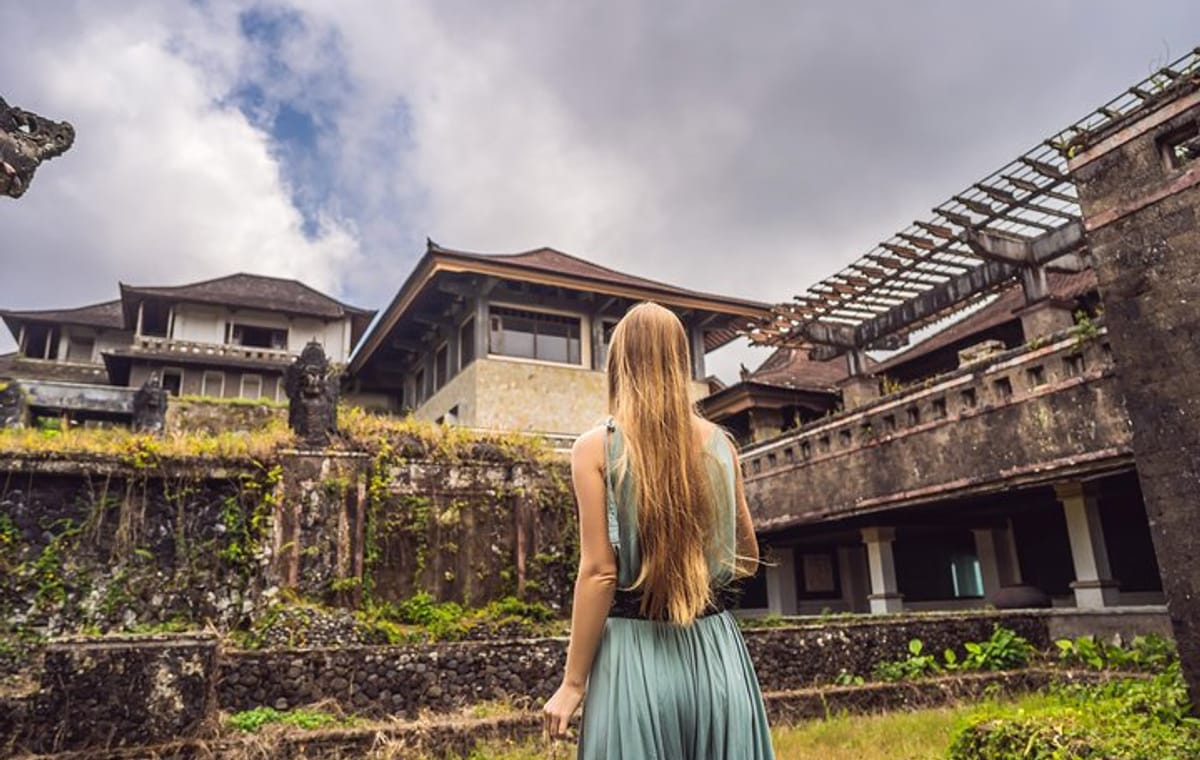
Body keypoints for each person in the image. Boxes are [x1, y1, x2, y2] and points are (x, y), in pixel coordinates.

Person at [542, 301, 776, 759]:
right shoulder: (721, 446)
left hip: (634, 659)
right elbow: (745, 559)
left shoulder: (594, 448)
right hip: (715, 654)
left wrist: (573, 684)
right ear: (680, 362)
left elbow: (599, 573)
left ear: (619, 362)